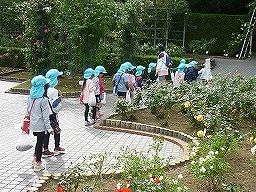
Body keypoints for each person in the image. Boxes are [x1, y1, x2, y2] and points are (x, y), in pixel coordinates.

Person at [28, 75, 54, 171]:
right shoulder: (44, 100)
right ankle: (38, 164)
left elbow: (28, 112)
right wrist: (49, 129)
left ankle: (35, 158)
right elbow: (45, 117)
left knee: (39, 141)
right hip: (41, 125)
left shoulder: (30, 98)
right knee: (40, 143)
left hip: (33, 124)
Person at [43, 69, 65, 157]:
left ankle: (45, 149)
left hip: (46, 115)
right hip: (53, 115)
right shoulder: (54, 91)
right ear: (54, 79)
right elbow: (56, 107)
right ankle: (56, 147)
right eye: (59, 78)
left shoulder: (45, 89)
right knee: (56, 130)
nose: (60, 80)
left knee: (47, 132)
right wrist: (60, 97)